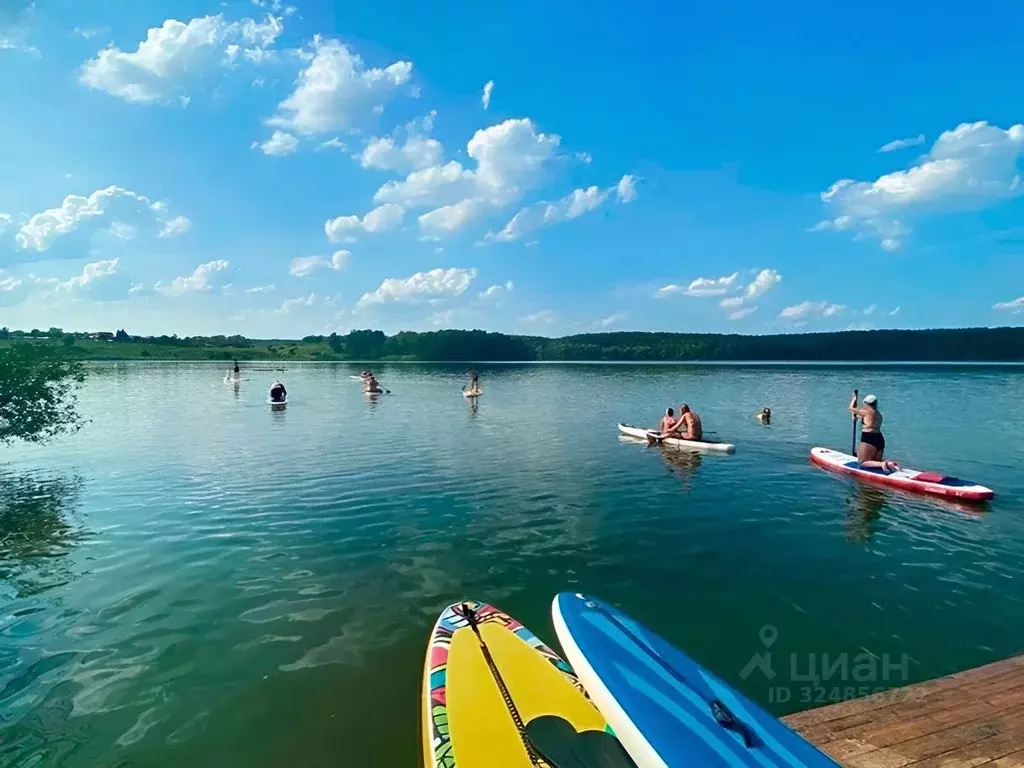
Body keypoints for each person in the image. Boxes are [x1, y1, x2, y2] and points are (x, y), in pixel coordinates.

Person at [849, 392, 899, 471]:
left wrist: (854, 399)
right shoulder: (878, 414)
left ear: (867, 403)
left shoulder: (866, 412)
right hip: (879, 438)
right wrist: (855, 417)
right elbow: (863, 418)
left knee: (862, 463)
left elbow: (851, 408)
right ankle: (888, 465)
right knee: (875, 462)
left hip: (869, 438)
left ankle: (884, 463)